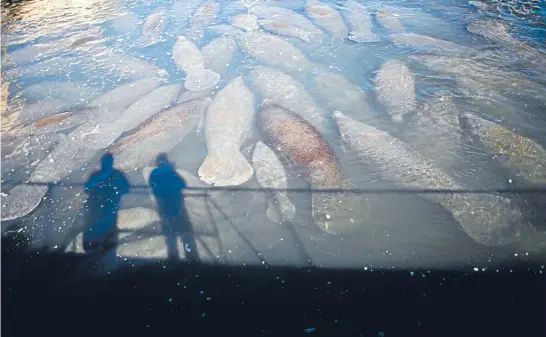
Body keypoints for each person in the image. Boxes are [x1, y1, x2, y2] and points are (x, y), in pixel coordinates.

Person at [149, 154, 199, 262]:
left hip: (164, 209)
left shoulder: (154, 174)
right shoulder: (170, 172)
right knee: (186, 234)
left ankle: (173, 259)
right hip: (177, 208)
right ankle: (191, 258)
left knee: (170, 236)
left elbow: (154, 188)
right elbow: (182, 184)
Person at [82, 153, 130, 253]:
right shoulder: (115, 174)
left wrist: (114, 191)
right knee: (103, 224)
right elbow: (87, 187)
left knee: (102, 224)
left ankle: (99, 246)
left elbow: (126, 188)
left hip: (105, 204)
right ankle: (102, 246)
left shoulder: (101, 175)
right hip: (103, 204)